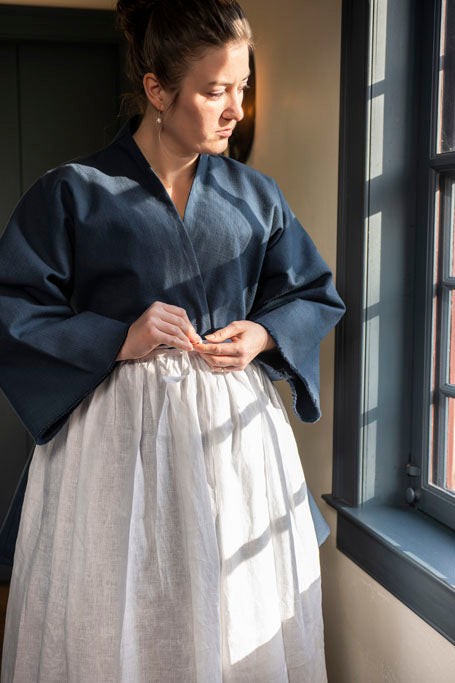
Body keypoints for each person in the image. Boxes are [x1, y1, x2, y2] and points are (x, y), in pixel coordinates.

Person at [0, 0, 345, 680]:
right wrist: (118, 337)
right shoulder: (72, 193)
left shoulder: (258, 196)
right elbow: (12, 308)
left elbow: (310, 292)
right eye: (215, 90)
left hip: (236, 446)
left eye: (242, 87)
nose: (235, 109)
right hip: (112, 446)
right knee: (112, 613)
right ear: (157, 90)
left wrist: (263, 333)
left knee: (232, 605)